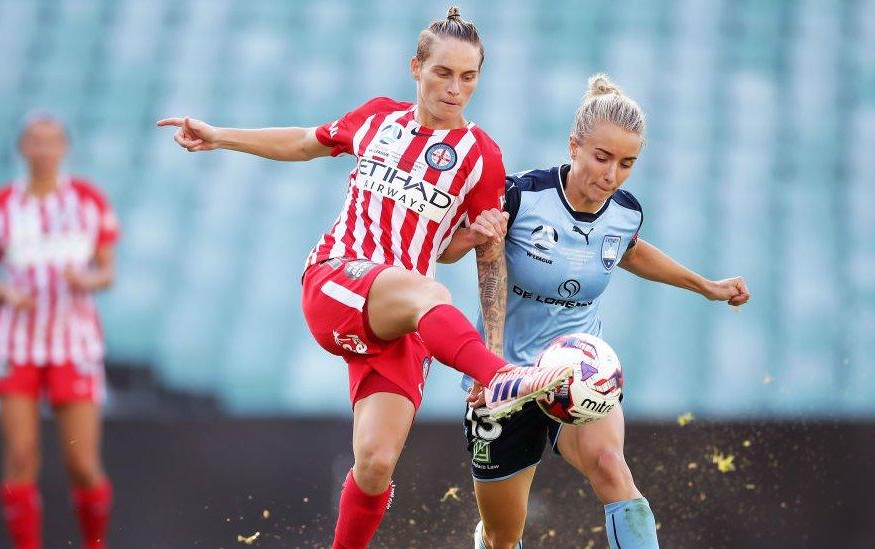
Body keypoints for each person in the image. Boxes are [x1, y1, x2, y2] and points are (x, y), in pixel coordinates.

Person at [156, 8, 572, 548]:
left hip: (402, 316)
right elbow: (305, 141)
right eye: (443, 72)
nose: (455, 88)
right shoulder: (378, 119)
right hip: (335, 280)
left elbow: (462, 254)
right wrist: (220, 137)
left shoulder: (482, 157)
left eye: (469, 77)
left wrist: (476, 245)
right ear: (415, 67)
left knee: (375, 463)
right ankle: (502, 378)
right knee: (428, 294)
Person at [441, 74, 750, 549]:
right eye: (602, 158)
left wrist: (705, 286)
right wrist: (492, 364)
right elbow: (459, 257)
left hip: (581, 372)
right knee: (504, 535)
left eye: (627, 164)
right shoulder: (521, 195)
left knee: (612, 469)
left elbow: (628, 251)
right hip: (508, 381)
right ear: (574, 147)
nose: (611, 175)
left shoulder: (625, 212)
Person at [0, 113, 119, 549]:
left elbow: (107, 272)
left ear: (64, 148)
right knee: (20, 456)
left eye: (51, 141)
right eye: (34, 141)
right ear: (22, 149)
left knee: (83, 464)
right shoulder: (1, 206)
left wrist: (86, 280)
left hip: (73, 343)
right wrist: (5, 292)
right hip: (16, 343)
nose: (43, 149)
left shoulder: (88, 200)